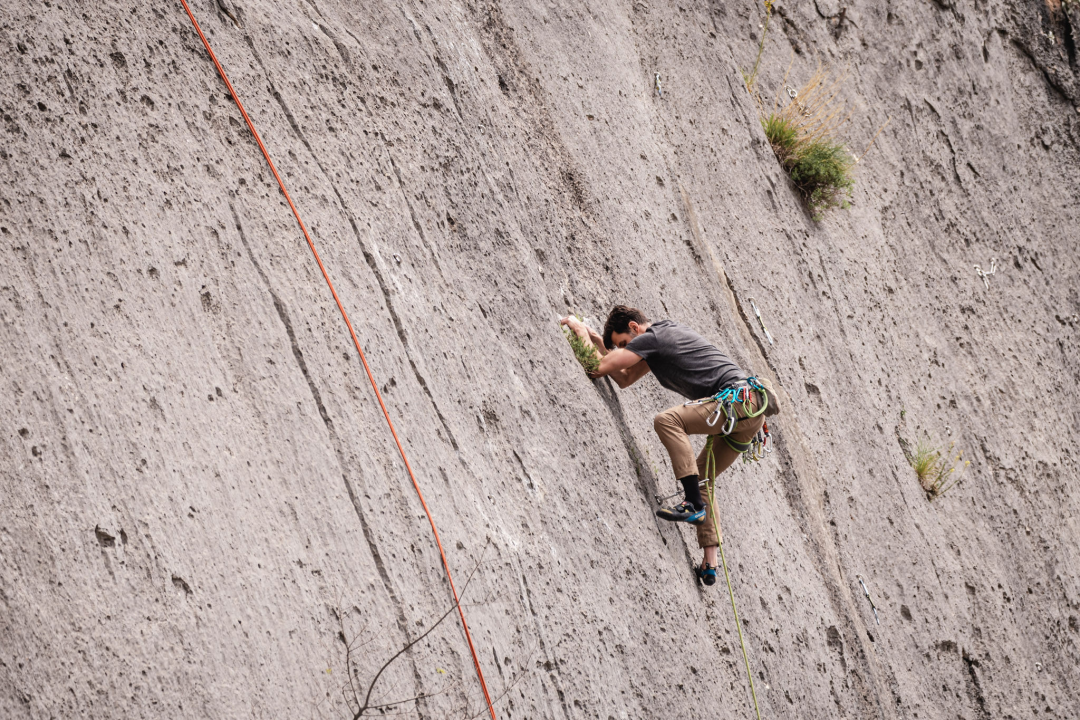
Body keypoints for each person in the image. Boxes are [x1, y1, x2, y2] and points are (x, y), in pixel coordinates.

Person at [560, 306, 767, 586]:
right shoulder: (666, 335)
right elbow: (624, 377)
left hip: (736, 401)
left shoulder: (652, 338)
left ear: (634, 327)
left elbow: (596, 369)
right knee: (703, 478)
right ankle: (710, 563)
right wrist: (599, 343)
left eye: (623, 343)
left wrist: (580, 331)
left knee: (667, 421)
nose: (624, 349)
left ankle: (692, 503)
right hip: (751, 412)